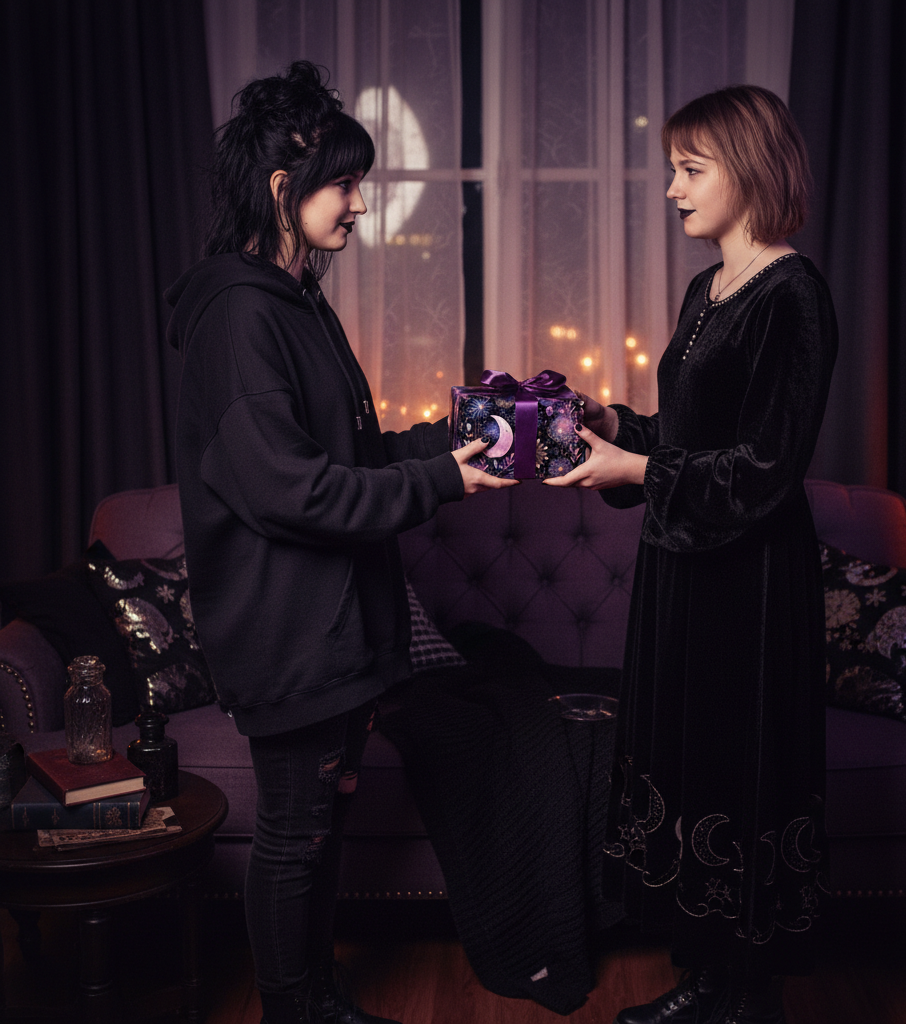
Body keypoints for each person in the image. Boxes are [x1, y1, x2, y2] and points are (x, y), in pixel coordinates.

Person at [166, 61, 514, 1024]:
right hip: (289, 632)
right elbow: (289, 490)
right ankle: (293, 1008)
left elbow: (347, 451)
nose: (360, 206)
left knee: (320, 827)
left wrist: (452, 438)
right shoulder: (240, 315)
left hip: (335, 629)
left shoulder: (295, 301)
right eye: (346, 184)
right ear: (284, 188)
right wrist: (442, 480)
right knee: (295, 833)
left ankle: (317, 994)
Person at [546, 85, 837, 1023]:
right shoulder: (706, 289)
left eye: (689, 169)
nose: (671, 189)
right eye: (673, 168)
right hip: (684, 568)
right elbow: (689, 429)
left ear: (748, 170)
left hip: (750, 582)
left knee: (739, 772)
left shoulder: (795, 295)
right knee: (689, 767)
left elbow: (763, 469)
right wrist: (614, 425)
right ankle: (708, 981)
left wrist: (637, 463)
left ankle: (742, 997)